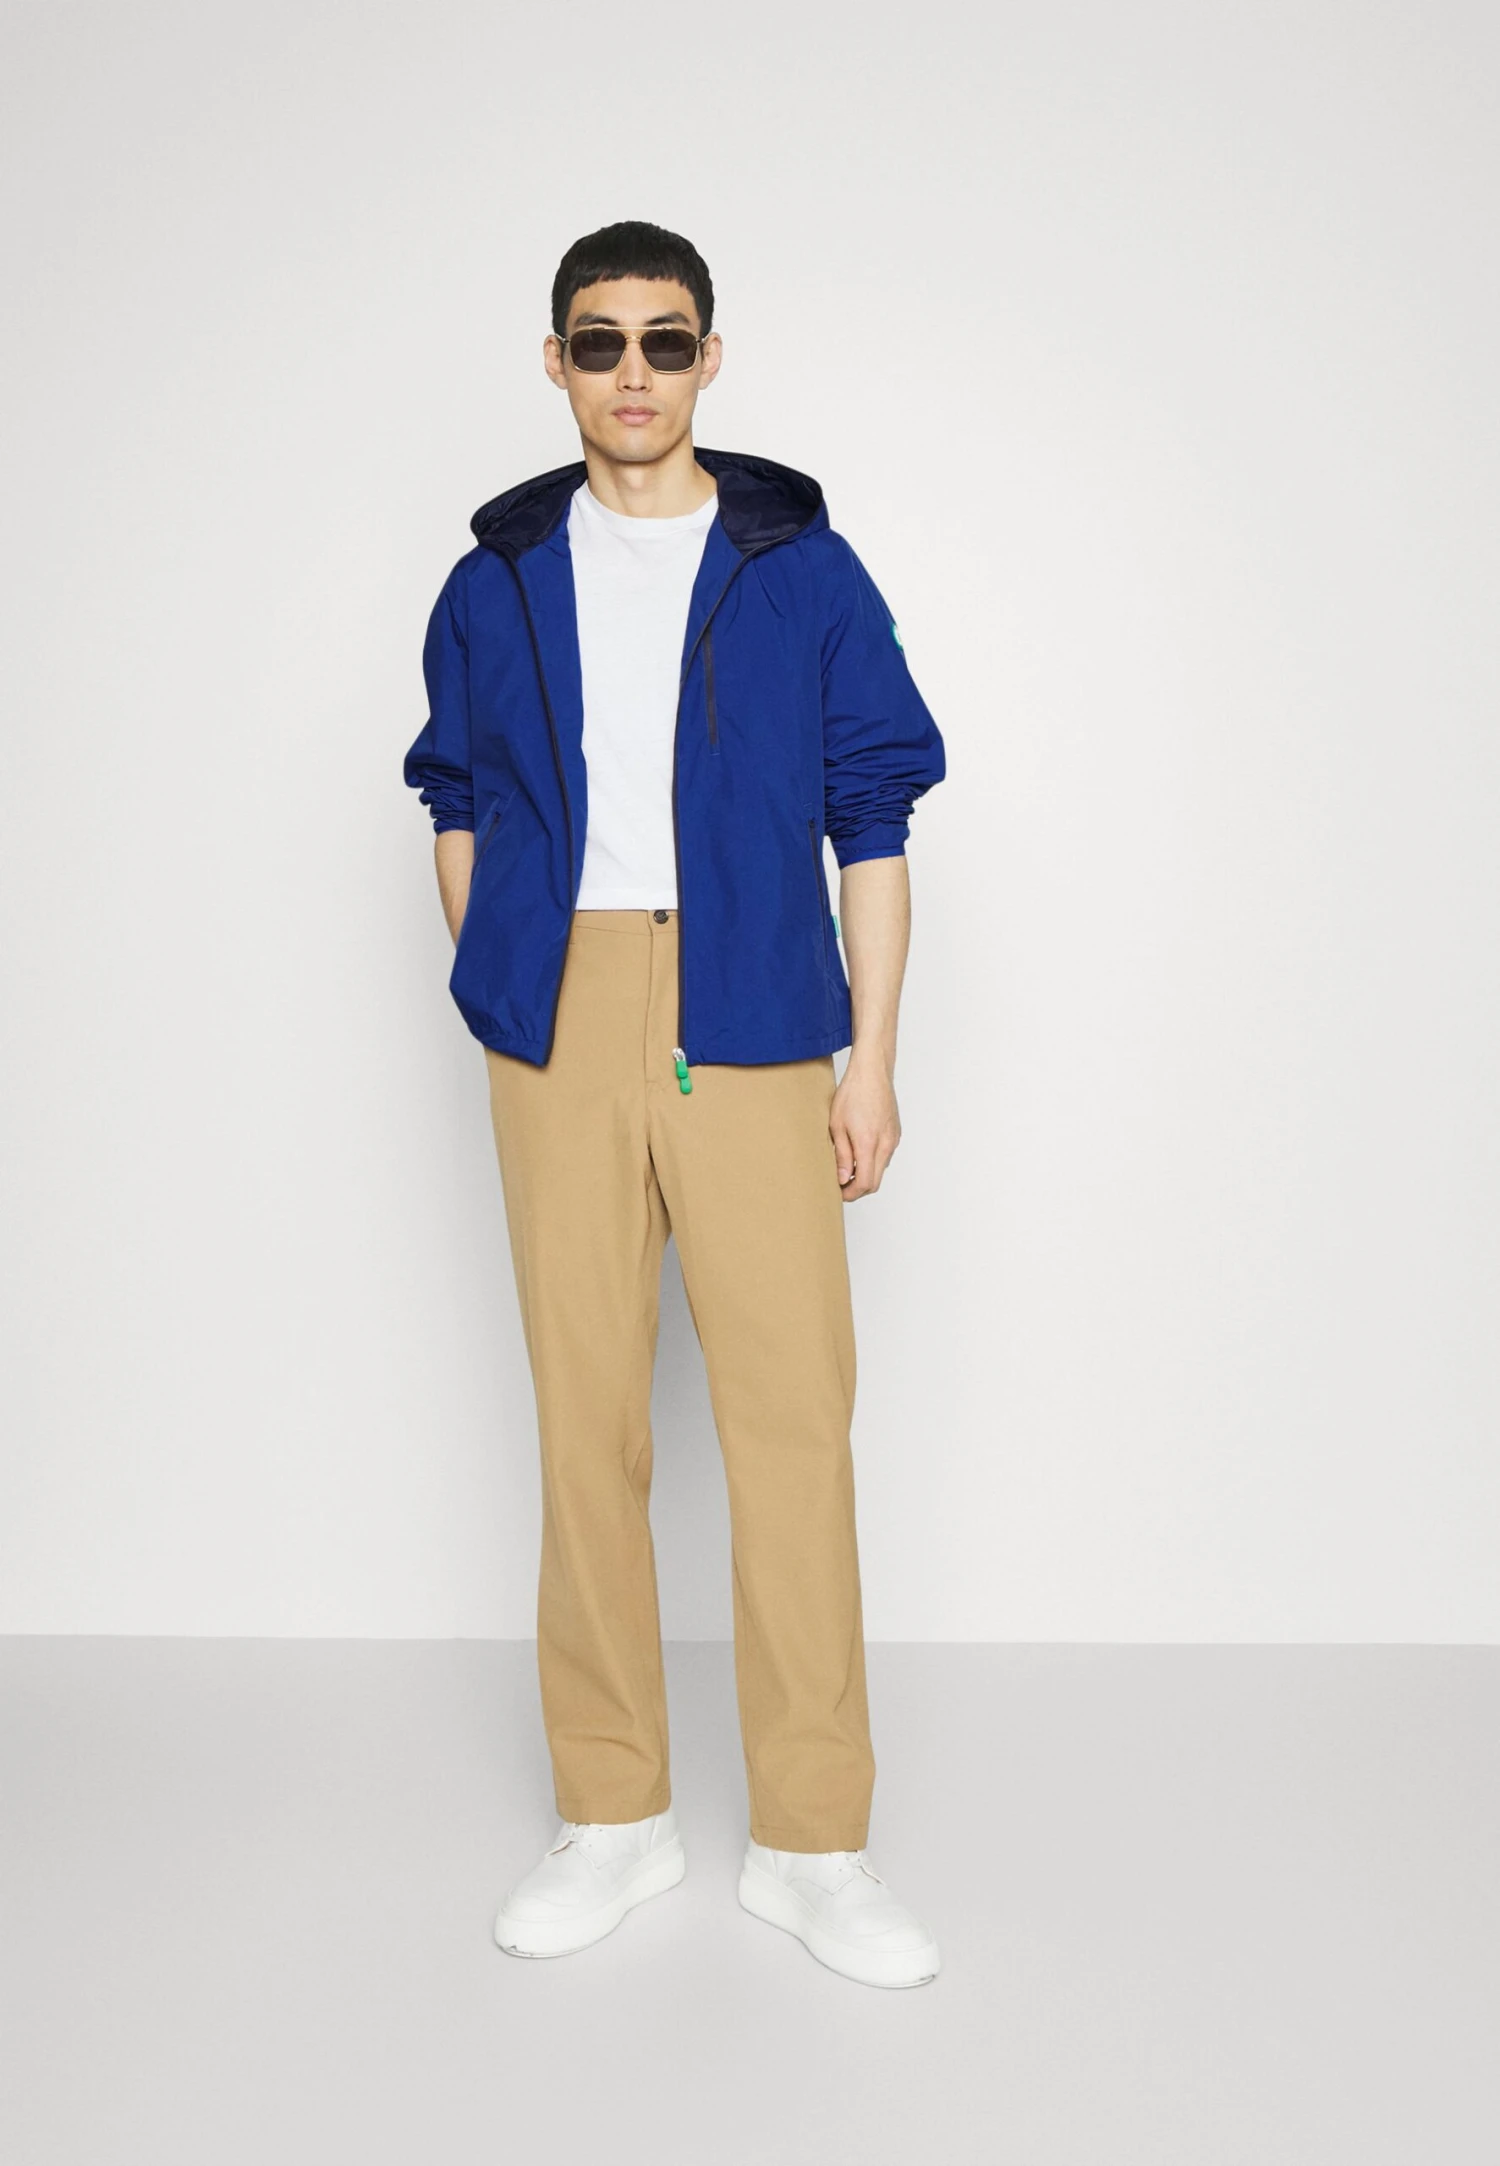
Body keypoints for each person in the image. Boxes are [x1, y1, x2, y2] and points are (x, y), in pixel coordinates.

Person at [403, 221, 947, 1990]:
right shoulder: (496, 577)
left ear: (711, 358)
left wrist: (872, 1055)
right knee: (586, 1423)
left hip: (760, 1009)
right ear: (555, 362)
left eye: (663, 340)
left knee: (791, 1425)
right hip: (561, 1010)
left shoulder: (801, 567)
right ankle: (614, 1813)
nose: (630, 371)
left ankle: (814, 1842)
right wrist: (509, 984)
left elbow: (874, 816)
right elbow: (456, 794)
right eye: (598, 340)